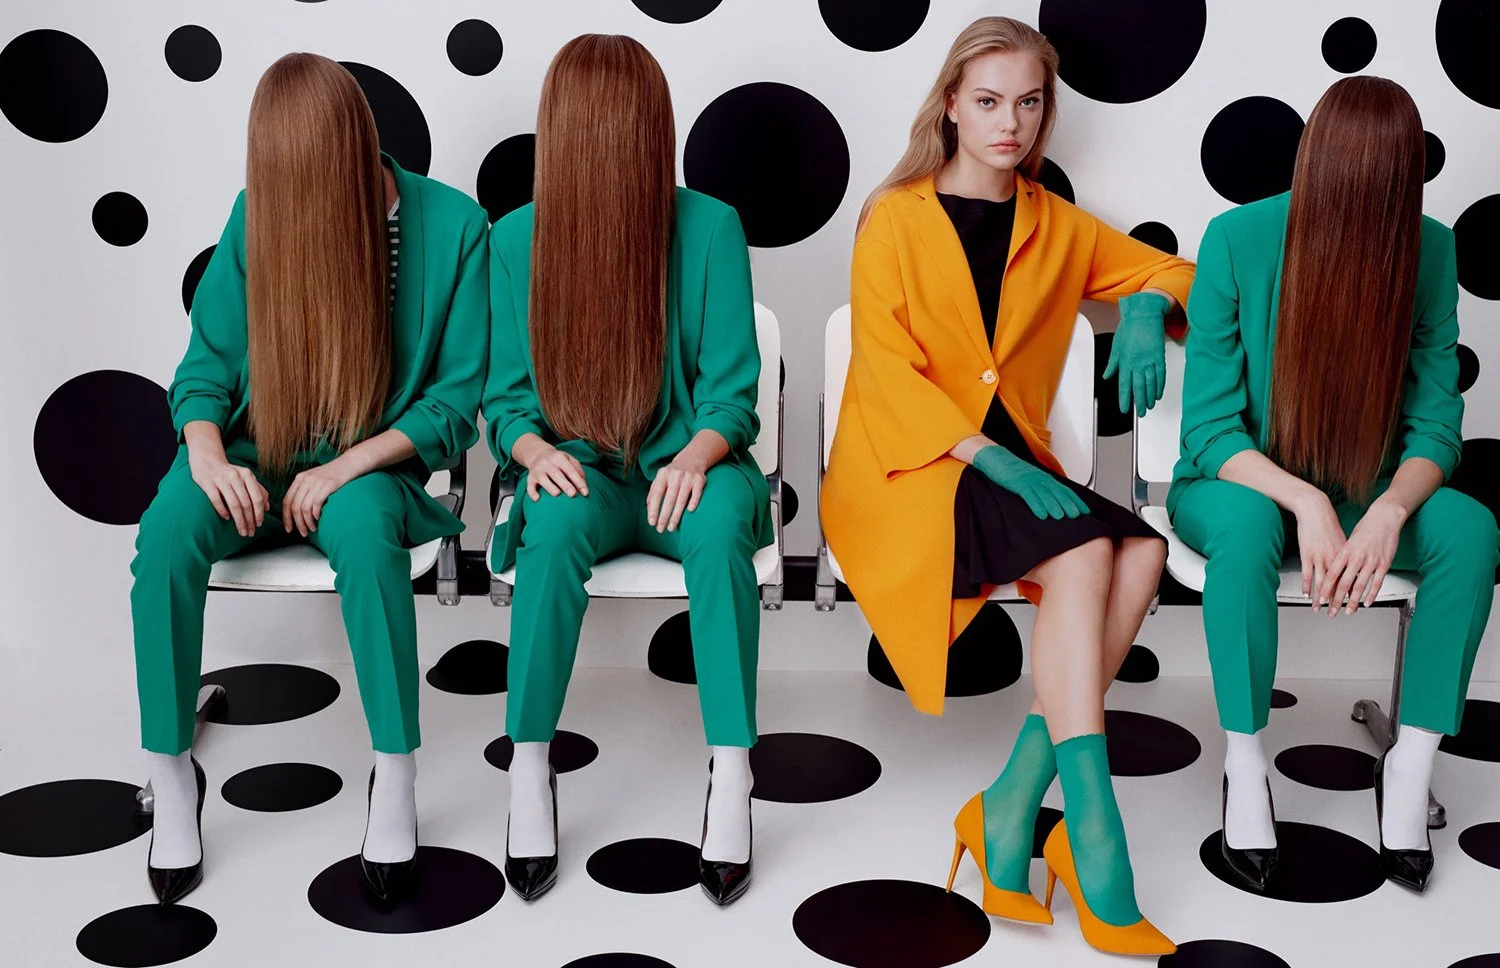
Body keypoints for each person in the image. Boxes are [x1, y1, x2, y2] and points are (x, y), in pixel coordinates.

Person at [820, 16, 1192, 957]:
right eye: (988, 102)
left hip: (1012, 465)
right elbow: (887, 370)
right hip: (916, 469)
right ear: (950, 105)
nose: (1011, 123)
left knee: (1141, 548)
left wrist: (1146, 306)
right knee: (1086, 552)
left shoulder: (1053, 224)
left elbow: (1178, 272)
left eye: (1028, 102)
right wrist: (994, 460)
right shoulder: (893, 217)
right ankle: (1096, 837)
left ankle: (1009, 807)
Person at [130, 52, 489, 904]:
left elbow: (456, 401)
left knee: (366, 540)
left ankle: (394, 773)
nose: (292, 201)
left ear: (357, 152)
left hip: (370, 460)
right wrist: (208, 455)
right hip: (253, 448)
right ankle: (171, 772)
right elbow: (205, 365)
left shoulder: (456, 227)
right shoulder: (259, 215)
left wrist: (346, 465)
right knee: (166, 538)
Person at [1171, 75, 1497, 895]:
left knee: (1471, 532)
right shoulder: (1237, 238)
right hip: (1237, 482)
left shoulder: (1431, 250)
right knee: (1247, 534)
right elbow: (1208, 428)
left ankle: (1411, 767)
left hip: (1368, 487)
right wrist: (1305, 500)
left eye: (1385, 193)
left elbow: (1435, 425)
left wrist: (1389, 509)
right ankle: (1245, 766)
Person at [483, 34, 770, 906]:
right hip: (584, 473)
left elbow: (733, 394)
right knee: (556, 524)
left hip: (690, 469)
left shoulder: (711, 226)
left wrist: (697, 453)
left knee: (719, 526)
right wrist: (531, 454)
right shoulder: (515, 239)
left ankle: (732, 771)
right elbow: (506, 400)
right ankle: (529, 768)